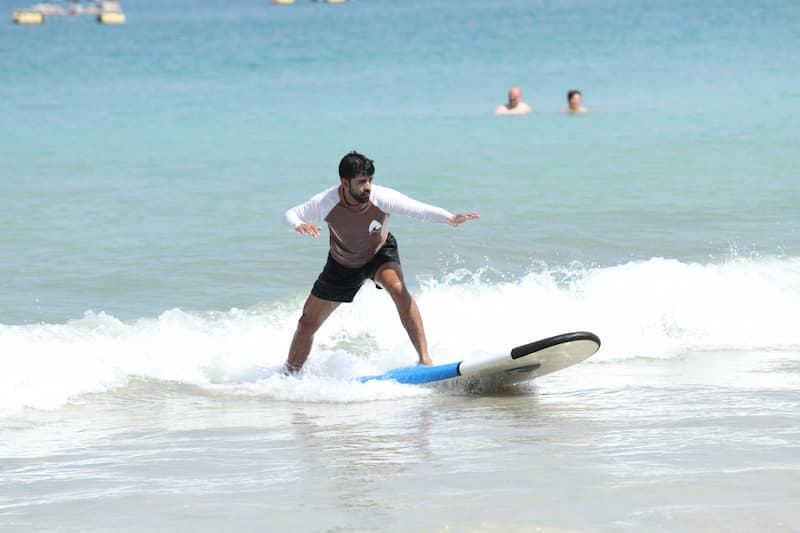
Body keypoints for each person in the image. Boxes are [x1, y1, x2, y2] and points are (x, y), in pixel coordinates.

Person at [282, 151, 479, 373]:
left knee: (398, 288)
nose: (367, 187)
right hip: (342, 263)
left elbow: (418, 209)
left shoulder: (381, 197)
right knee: (307, 322)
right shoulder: (326, 202)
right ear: (345, 182)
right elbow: (290, 214)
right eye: (361, 182)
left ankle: (425, 361)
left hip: (379, 253)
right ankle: (289, 375)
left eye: (370, 180)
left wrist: (450, 218)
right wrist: (298, 225)